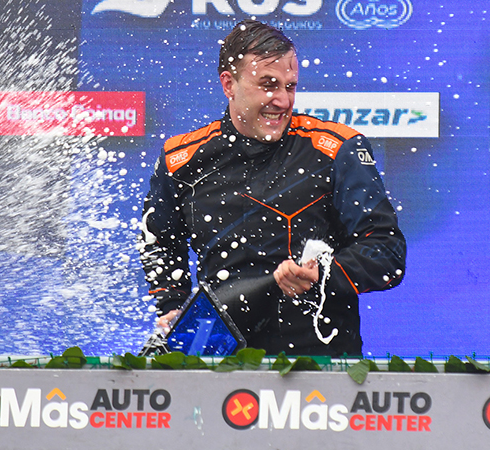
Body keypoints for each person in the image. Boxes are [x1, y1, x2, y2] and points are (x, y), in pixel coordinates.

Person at [139, 19, 406, 356]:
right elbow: (159, 242)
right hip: (218, 361)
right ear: (228, 84)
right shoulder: (181, 159)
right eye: (268, 85)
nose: (282, 100)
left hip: (318, 361)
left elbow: (387, 253)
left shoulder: (336, 149)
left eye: (290, 87)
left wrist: (323, 275)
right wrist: (172, 305)